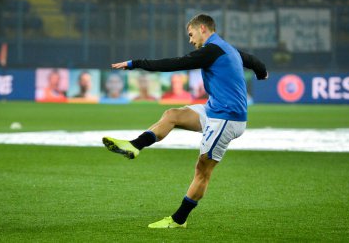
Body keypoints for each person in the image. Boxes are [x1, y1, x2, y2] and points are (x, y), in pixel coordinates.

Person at [103, 14, 268, 229]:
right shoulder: (228, 48)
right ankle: (134, 146)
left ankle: (178, 219)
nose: (190, 40)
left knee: (202, 169)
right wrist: (262, 73)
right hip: (213, 110)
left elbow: (176, 63)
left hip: (227, 118)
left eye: (191, 35)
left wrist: (136, 64)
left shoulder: (212, 50)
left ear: (202, 29)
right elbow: (256, 62)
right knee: (172, 115)